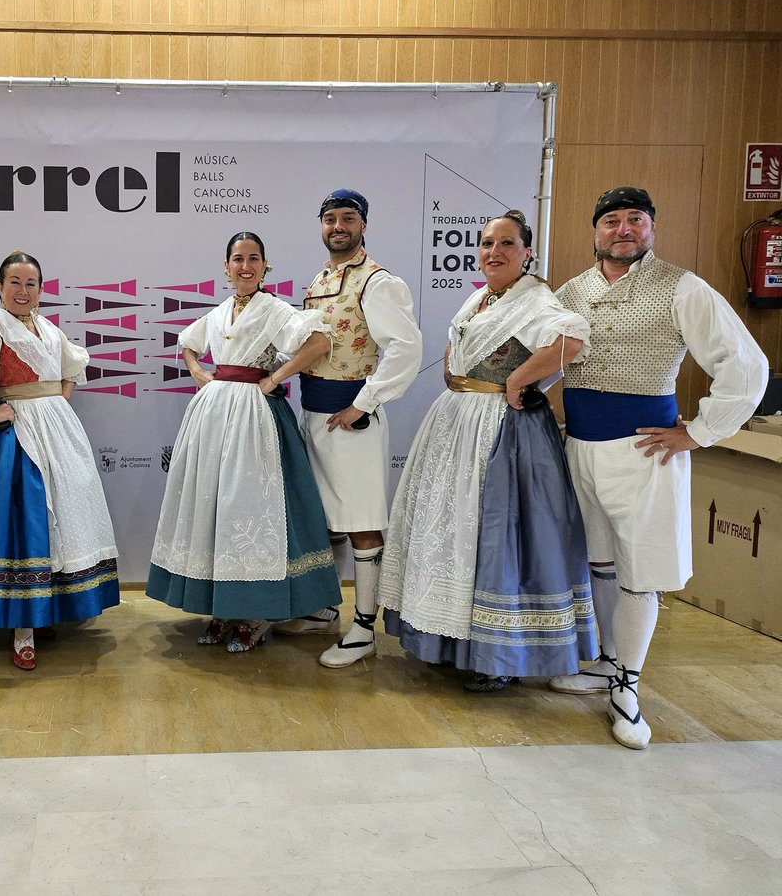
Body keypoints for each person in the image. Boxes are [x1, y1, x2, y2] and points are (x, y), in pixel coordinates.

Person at [549, 186, 768, 748]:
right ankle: (605, 661)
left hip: (646, 452)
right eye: (612, 221)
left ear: (651, 228)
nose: (623, 229)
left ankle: (628, 686)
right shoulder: (573, 290)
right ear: (595, 230)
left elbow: (745, 365)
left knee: (639, 571)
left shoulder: (681, 287)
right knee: (598, 562)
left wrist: (695, 433)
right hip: (581, 449)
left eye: (636, 220)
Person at [377, 210, 598, 690]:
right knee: (450, 529)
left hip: (502, 429)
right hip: (459, 418)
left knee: (495, 533)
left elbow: (573, 337)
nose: (493, 252)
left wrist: (520, 377)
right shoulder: (481, 299)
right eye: (486, 244)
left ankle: (495, 653)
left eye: (506, 244)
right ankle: (446, 638)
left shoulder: (535, 299)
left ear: (527, 252)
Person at [146, 232, 341, 653]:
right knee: (217, 509)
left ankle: (258, 612)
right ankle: (225, 609)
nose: (245, 266)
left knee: (251, 508)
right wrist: (198, 371)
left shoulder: (274, 310)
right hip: (214, 416)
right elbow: (187, 343)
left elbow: (321, 341)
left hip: (256, 419)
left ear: (265, 266)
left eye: (254, 258)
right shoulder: (218, 313)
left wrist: (275, 377)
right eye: (238, 258)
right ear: (226, 267)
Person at [0, 251, 119, 670]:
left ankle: (44, 610)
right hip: (15, 437)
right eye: (14, 282)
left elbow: (73, 364)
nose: (22, 291)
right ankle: (22, 629)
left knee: (63, 522)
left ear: (41, 289)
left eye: (30, 283)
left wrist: (56, 399)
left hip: (58, 432)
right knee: (26, 523)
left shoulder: (49, 330)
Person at [273, 189, 422, 668]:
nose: (338, 226)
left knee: (360, 524)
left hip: (351, 418)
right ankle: (324, 607)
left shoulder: (378, 281)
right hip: (313, 414)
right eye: (330, 219)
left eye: (348, 218)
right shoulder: (319, 280)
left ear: (363, 225)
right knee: (323, 520)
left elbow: (404, 348)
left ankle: (364, 626)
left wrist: (364, 404)